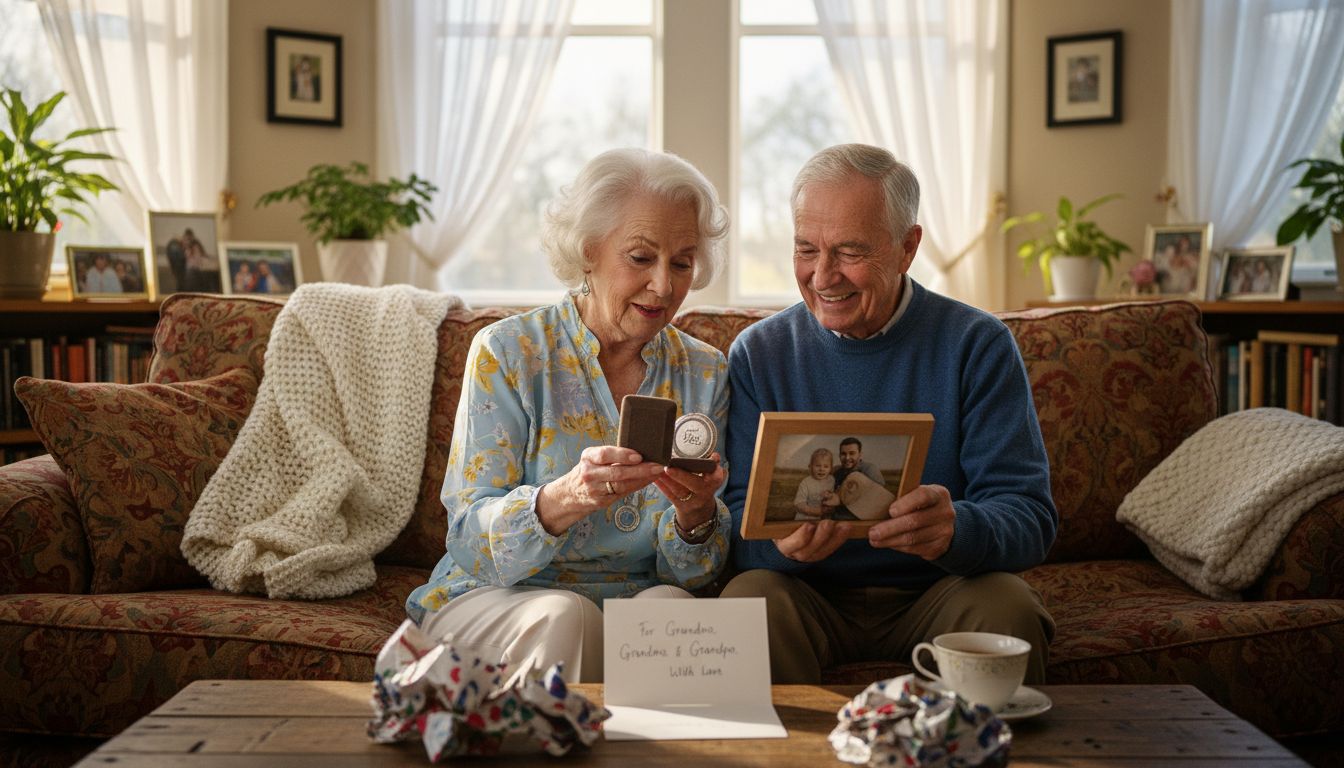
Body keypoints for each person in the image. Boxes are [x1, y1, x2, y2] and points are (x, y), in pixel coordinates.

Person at [720, 144, 1058, 685]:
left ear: (908, 247)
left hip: (941, 590)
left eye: (849, 252)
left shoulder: (977, 344)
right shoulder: (758, 354)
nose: (823, 276)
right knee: (745, 601)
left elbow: (1030, 517)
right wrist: (777, 545)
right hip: (804, 594)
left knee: (1007, 608)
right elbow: (729, 520)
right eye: (806, 249)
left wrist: (957, 529)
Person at [406, 148, 732, 683]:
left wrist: (696, 520)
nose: (664, 286)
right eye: (640, 257)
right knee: (568, 616)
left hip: (635, 600)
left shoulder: (704, 371)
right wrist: (567, 497)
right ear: (588, 252)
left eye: (681, 262)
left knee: (672, 611)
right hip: (498, 597)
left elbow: (695, 575)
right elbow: (468, 536)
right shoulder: (508, 353)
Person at [794, 448, 836, 519]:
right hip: (807, 516)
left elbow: (835, 497)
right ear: (811, 466)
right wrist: (814, 511)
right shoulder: (806, 482)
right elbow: (799, 503)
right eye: (817, 465)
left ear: (830, 468)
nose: (821, 469)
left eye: (826, 466)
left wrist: (830, 498)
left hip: (825, 516)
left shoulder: (831, 480)